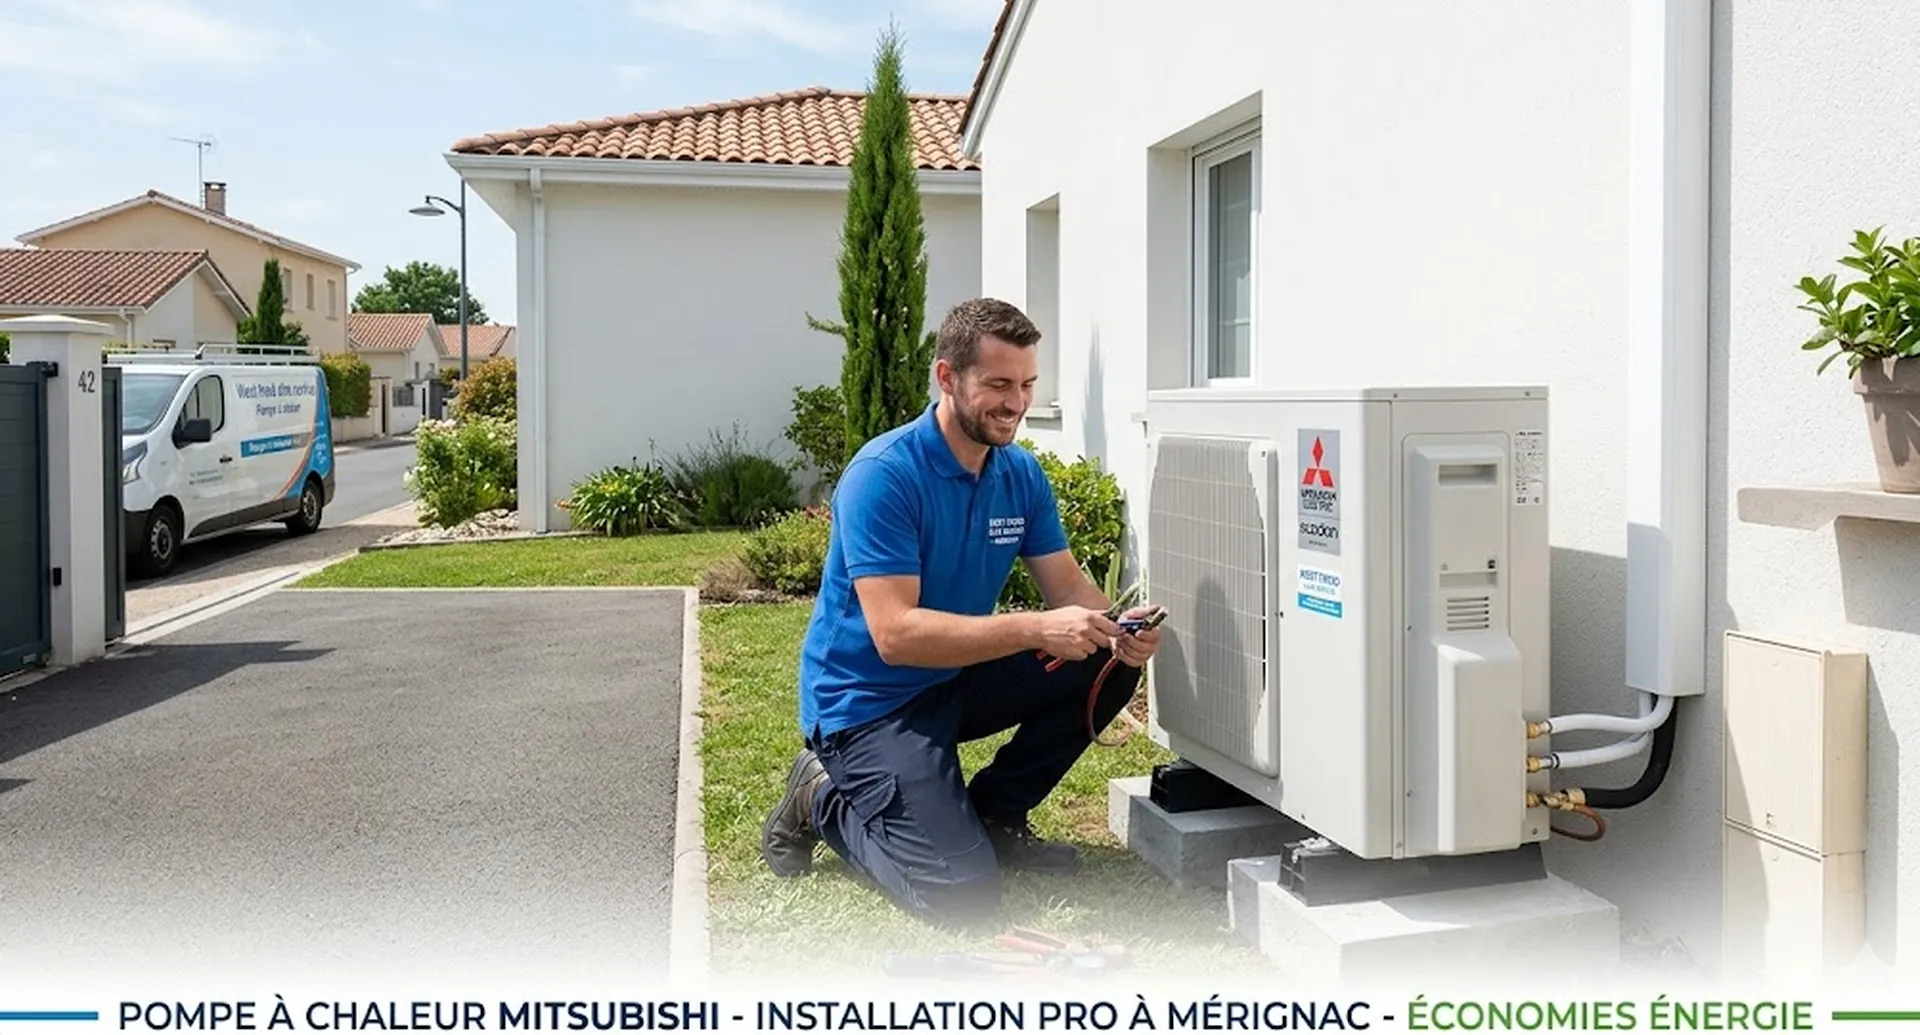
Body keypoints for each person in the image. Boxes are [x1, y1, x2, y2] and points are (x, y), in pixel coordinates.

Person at [759, 297, 1163, 926]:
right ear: (947, 378)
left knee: (1105, 665)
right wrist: (1035, 629)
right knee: (962, 900)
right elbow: (894, 635)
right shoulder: (885, 476)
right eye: (998, 384)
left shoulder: (1020, 475)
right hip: (869, 707)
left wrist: (1119, 631)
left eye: (1028, 384)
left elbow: (1067, 589)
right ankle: (822, 796)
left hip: (956, 679)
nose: (1017, 403)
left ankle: (998, 816)